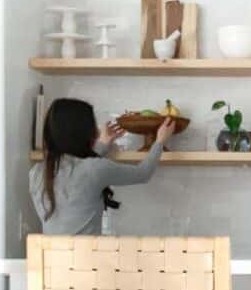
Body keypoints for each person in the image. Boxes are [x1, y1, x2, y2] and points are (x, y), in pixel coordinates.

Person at [29, 97, 175, 235]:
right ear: (82, 133)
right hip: (88, 260)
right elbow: (144, 173)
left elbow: (78, 170)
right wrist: (160, 140)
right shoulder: (95, 169)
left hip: (51, 260)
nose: (97, 131)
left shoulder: (36, 172)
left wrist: (103, 144)